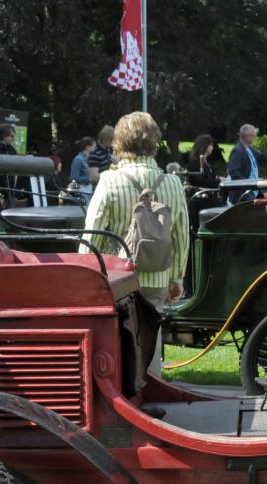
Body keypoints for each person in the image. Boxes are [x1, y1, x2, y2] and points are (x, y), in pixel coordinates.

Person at [79, 111, 190, 376]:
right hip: (157, 275)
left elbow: (91, 234)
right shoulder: (173, 183)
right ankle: (151, 389)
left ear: (120, 142)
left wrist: (83, 276)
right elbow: (181, 235)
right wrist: (177, 278)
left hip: (116, 279)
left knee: (114, 340)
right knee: (151, 336)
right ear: (154, 143)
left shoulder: (109, 180)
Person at [226, 123, 267, 203]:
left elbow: (263, 157)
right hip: (242, 197)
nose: (255, 137)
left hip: (251, 193)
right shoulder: (237, 151)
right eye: (253, 135)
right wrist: (248, 188)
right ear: (247, 136)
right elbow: (234, 173)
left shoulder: (249, 150)